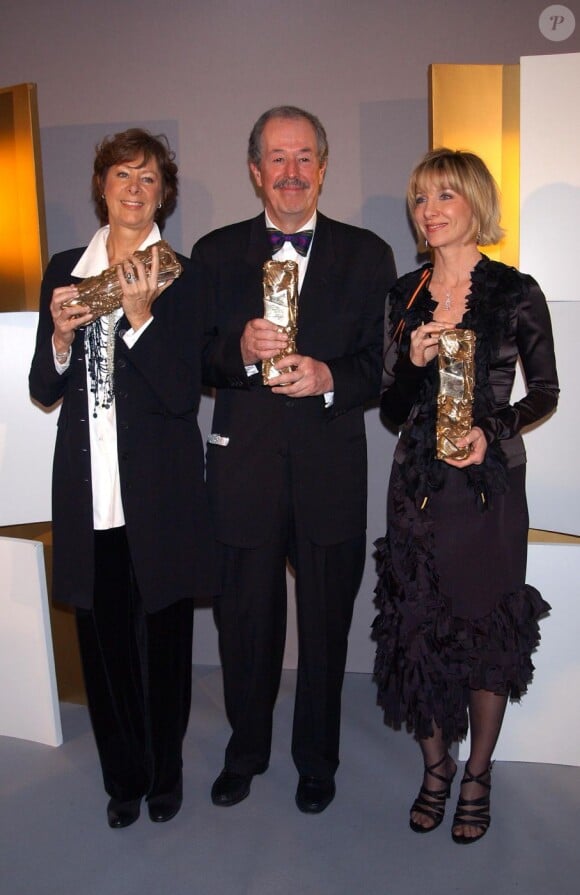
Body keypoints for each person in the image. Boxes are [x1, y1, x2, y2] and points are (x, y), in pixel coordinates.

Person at [192, 105, 397, 813]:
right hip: (244, 471)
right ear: (255, 172)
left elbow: (385, 366)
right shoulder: (215, 253)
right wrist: (239, 355)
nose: (291, 171)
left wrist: (331, 376)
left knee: (325, 624)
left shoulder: (369, 255)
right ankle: (245, 751)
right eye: (277, 158)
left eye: (304, 156)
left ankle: (318, 758)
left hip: (329, 470)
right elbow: (197, 356)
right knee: (245, 624)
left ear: (323, 166)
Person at [29, 128, 217, 828]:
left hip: (159, 498)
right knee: (104, 652)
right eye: (122, 176)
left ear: (161, 193)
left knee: (164, 650)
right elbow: (42, 387)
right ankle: (123, 780)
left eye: (148, 179)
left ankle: (164, 776)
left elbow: (178, 393)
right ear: (101, 188)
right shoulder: (64, 269)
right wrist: (59, 338)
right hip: (89, 495)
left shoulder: (182, 273)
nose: (134, 189)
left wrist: (139, 318)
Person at [373, 148, 559, 843]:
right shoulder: (404, 295)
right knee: (414, 623)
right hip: (415, 488)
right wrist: (415, 364)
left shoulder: (516, 291)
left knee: (484, 625)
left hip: (487, 488)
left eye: (446, 195)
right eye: (421, 199)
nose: (431, 210)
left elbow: (545, 391)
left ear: (476, 203)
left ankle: (477, 770)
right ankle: (435, 766)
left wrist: (491, 428)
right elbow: (390, 407)